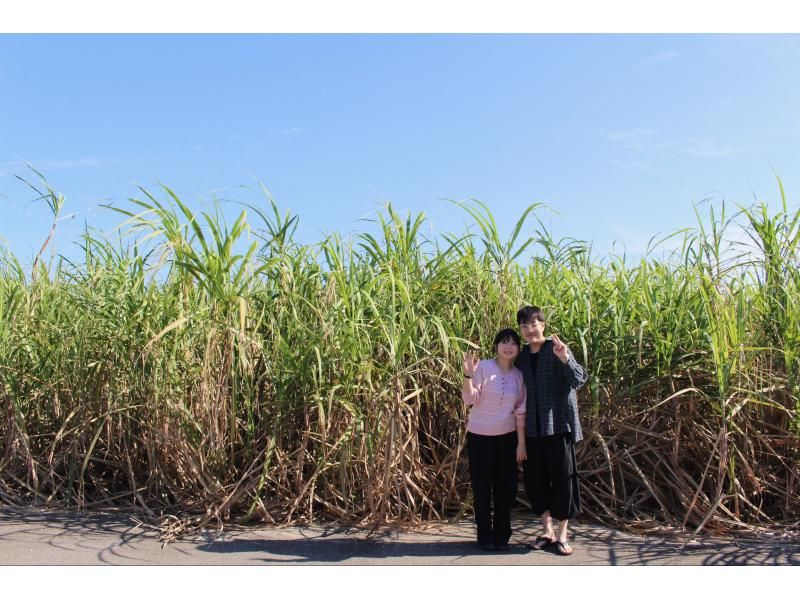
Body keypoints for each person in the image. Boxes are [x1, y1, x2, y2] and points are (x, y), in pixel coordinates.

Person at [515, 305, 588, 556]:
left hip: (559, 425)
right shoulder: (522, 356)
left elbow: (579, 380)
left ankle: (562, 535)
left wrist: (565, 358)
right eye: (524, 326)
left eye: (534, 324)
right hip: (532, 429)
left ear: (543, 325)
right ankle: (547, 532)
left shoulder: (557, 348)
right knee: (535, 483)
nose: (530, 330)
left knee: (563, 482)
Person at [462, 328, 527, 551]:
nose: (508, 347)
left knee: (505, 488)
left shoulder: (518, 375)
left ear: (518, 348)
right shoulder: (483, 368)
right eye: (504, 342)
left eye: (513, 343)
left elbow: (520, 411)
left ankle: (502, 534)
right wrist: (468, 376)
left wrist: (521, 443)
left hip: (507, 438)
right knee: (481, 488)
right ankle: (484, 535)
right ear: (496, 345)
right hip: (480, 436)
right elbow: (470, 400)